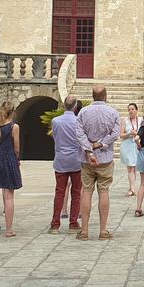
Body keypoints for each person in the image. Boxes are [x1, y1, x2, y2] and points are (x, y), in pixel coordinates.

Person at [75, 85, 120, 241]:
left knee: (86, 191)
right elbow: (115, 134)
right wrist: (100, 144)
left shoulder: (83, 112)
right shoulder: (113, 112)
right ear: (105, 96)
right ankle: (103, 230)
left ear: (92, 96)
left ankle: (85, 231)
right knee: (104, 191)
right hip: (105, 158)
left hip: (87, 159)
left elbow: (79, 133)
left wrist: (88, 149)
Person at [0, 101, 22, 238]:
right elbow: (17, 147)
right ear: (12, 112)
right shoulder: (14, 127)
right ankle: (9, 229)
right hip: (8, 159)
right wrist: (16, 158)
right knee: (8, 197)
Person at [49, 96, 83, 234]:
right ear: (75, 107)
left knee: (60, 192)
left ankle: (55, 224)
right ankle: (73, 222)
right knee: (76, 192)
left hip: (61, 159)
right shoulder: (78, 121)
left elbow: (55, 137)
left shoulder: (55, 121)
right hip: (76, 159)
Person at [119, 103, 141, 197]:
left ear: (136, 110)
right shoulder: (124, 120)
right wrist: (129, 134)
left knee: (135, 167)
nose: (130, 111)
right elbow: (121, 135)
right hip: (127, 145)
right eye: (129, 109)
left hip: (136, 145)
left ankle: (132, 187)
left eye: (132, 109)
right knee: (130, 167)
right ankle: (132, 189)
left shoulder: (140, 120)